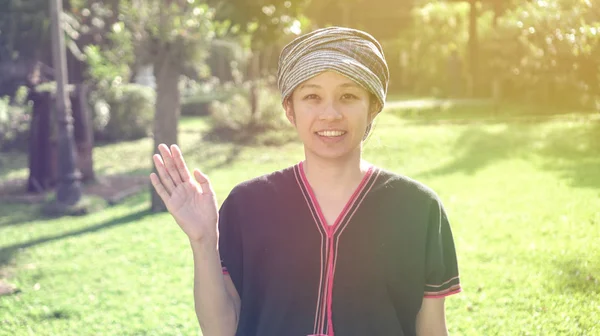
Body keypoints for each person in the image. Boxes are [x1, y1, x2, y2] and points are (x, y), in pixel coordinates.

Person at [150, 27, 461, 336]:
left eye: (348, 96)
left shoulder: (418, 209)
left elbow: (432, 330)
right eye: (312, 96)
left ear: (372, 108)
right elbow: (221, 331)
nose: (330, 113)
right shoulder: (248, 205)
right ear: (290, 109)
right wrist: (203, 241)